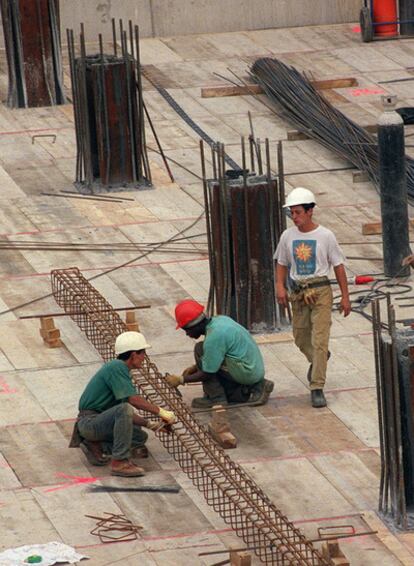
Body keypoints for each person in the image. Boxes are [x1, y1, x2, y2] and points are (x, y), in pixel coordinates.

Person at [274, 187, 351, 408]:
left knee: (319, 338)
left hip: (320, 291)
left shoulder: (325, 236)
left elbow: (338, 266)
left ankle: (317, 386)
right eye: (292, 213)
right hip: (298, 292)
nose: (295, 217)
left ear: (310, 211)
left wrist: (345, 297)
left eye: (298, 212)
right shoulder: (287, 236)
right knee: (300, 336)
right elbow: (281, 263)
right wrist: (280, 286)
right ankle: (320, 359)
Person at [69, 331, 177, 477]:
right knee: (124, 409)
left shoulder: (120, 370)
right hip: (90, 422)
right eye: (143, 353)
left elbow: (124, 414)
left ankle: (97, 445)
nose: (144, 358)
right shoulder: (116, 367)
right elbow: (132, 401)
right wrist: (161, 412)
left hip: (98, 422)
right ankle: (119, 462)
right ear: (133, 354)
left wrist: (151, 425)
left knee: (139, 437)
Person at [165, 300, 274, 408]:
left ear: (195, 325)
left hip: (247, 372)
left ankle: (216, 398)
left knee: (199, 349)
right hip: (253, 367)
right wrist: (194, 367)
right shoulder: (220, 320)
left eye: (187, 330)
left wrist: (180, 380)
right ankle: (257, 386)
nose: (187, 334)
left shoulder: (213, 338)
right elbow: (219, 352)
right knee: (203, 351)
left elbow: (207, 374)